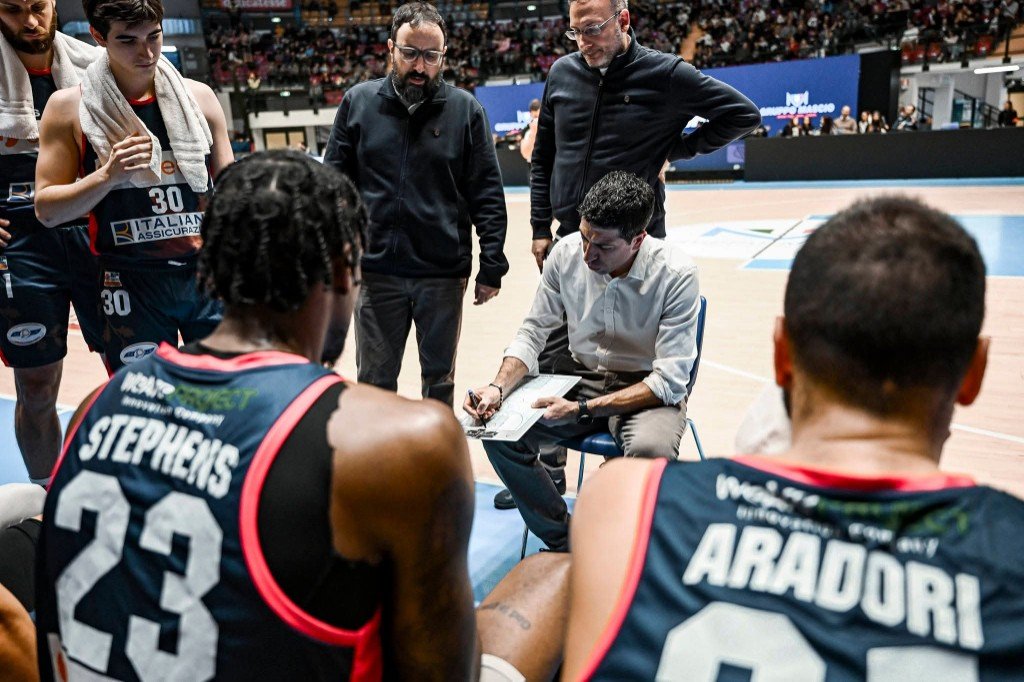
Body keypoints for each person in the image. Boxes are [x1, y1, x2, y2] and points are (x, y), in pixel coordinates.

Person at [34, 151, 568, 681]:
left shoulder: (94, 407)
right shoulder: (404, 440)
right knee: (555, 571)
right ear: (343, 270)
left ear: (210, 269)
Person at [563, 196, 1024, 678]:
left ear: (782, 357)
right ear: (974, 374)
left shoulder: (626, 498)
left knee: (546, 578)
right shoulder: (1010, 549)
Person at [466, 171, 700, 552]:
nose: (588, 253)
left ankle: (629, 554)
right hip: (581, 377)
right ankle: (566, 541)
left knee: (649, 454)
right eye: (585, 236)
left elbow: (670, 382)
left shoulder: (676, 274)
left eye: (603, 246)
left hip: (644, 389)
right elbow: (533, 332)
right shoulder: (566, 253)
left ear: (638, 239)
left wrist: (581, 409)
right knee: (497, 433)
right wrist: (497, 387)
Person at [323, 1, 508, 408]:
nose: (420, 66)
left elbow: (487, 193)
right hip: (375, 272)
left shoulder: (466, 111)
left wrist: (492, 263)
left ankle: (435, 448)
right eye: (410, 53)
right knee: (374, 381)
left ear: (444, 56)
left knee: (439, 380)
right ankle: (377, 451)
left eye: (431, 56)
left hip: (441, 274)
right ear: (391, 48)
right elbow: (332, 186)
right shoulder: (358, 103)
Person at [34, 0, 233, 373]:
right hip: (128, 281)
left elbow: (232, 194)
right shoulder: (68, 107)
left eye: (154, 36)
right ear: (98, 36)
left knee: (227, 394)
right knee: (145, 399)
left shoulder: (201, 98)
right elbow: (46, 211)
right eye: (128, 40)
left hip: (207, 274)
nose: (147, 53)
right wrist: (107, 176)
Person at [529, 0, 759, 264]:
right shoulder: (561, 73)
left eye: (592, 29)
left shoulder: (665, 74)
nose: (583, 42)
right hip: (569, 238)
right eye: (575, 32)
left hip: (633, 246)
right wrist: (540, 228)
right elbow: (543, 157)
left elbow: (744, 115)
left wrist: (673, 152)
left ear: (623, 21)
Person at [0, 0, 105, 487]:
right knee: (37, 386)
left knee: (135, 369)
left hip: (94, 231)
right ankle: (47, 498)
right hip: (20, 243)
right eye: (12, 10)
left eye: (37, 6)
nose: (29, 21)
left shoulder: (93, 65)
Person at [518, 97, 541, 163]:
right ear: (530, 114)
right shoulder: (526, 130)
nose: (537, 120)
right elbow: (525, 154)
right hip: (535, 164)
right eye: (535, 117)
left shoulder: (552, 126)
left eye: (538, 117)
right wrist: (534, 132)